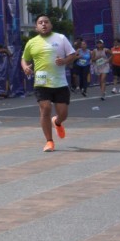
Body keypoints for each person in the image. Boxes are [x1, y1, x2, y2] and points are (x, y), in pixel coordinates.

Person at [21, 14, 78, 152]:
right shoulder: (31, 42)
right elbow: (24, 59)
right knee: (45, 108)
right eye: (40, 22)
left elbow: (72, 54)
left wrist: (64, 61)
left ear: (51, 25)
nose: (43, 24)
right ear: (36, 27)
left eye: (46, 22)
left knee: (63, 114)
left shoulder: (61, 38)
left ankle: (57, 122)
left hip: (59, 82)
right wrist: (25, 67)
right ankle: (49, 141)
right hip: (41, 81)